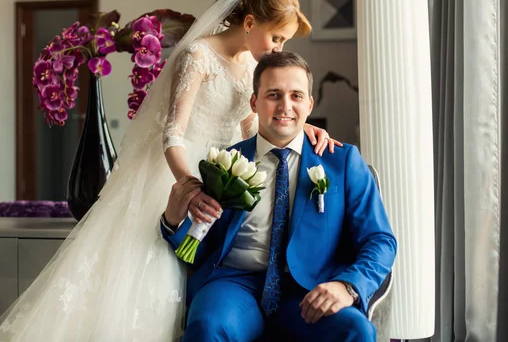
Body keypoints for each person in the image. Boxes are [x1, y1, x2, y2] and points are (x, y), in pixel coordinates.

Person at [0, 0, 339, 341]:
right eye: (276, 38)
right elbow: (173, 133)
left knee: (205, 275)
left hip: (221, 180)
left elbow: (251, 131)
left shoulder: (250, 67)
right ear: (249, 24)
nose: (279, 48)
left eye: (284, 42)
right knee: (153, 282)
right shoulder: (198, 55)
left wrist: (300, 130)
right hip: (176, 172)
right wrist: (191, 188)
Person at [161, 52, 397, 341]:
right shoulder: (223, 162)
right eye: (274, 94)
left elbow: (380, 240)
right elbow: (201, 246)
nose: (285, 106)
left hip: (312, 288)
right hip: (236, 285)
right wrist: (173, 221)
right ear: (254, 102)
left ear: (309, 104)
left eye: (296, 96)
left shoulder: (343, 162)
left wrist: (347, 286)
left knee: (355, 330)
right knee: (208, 326)